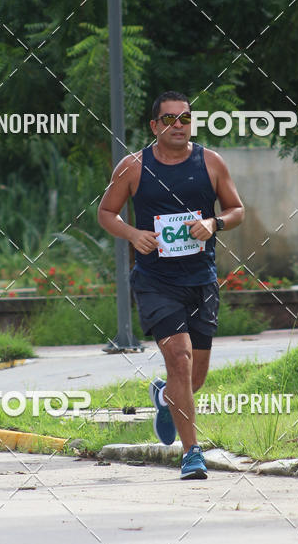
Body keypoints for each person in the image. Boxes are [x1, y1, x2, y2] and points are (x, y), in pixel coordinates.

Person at [98, 91, 244, 479]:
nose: (178, 126)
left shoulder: (211, 162)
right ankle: (192, 453)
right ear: (154, 126)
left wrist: (215, 223)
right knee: (179, 359)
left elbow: (237, 209)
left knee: (194, 376)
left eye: (184, 118)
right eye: (169, 120)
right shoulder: (133, 167)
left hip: (201, 279)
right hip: (155, 280)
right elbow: (106, 212)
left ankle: (165, 397)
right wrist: (132, 235)